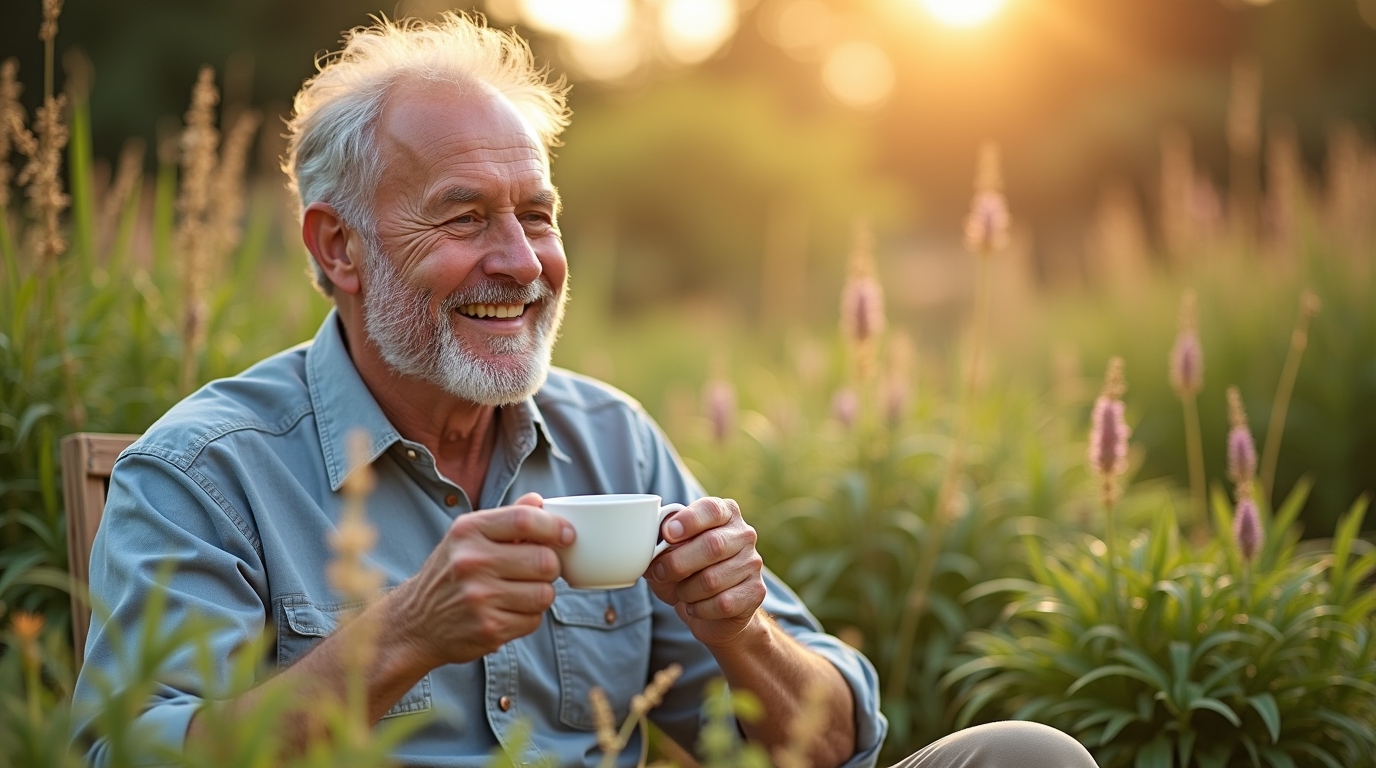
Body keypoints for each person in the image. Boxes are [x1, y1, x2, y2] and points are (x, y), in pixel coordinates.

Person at [72, 13, 1096, 768]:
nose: (519, 261)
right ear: (338, 246)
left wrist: (744, 634)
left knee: (1024, 757)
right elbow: (130, 755)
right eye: (464, 217)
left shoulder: (611, 440)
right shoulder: (206, 472)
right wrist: (406, 635)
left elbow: (827, 746)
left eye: (538, 214)